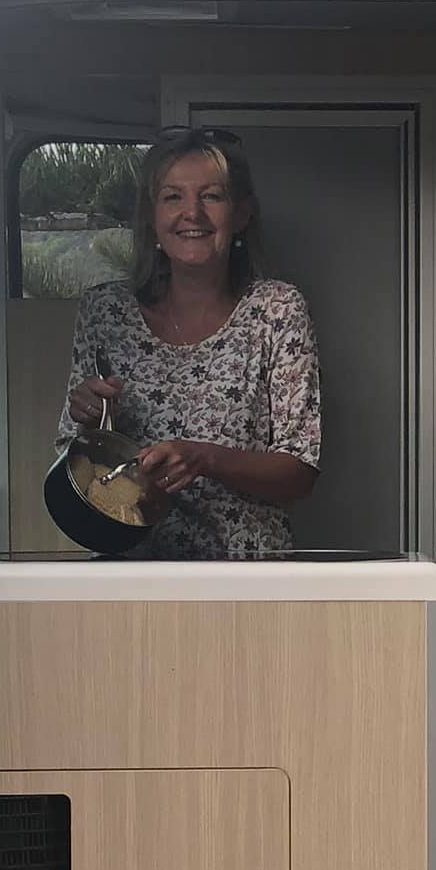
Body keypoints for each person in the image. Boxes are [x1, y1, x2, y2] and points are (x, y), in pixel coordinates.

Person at [59, 127, 321, 559]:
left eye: (212, 196)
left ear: (241, 213)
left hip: (246, 573)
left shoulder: (277, 310)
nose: (192, 214)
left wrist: (205, 459)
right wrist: (91, 420)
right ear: (151, 216)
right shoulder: (105, 311)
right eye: (173, 196)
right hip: (130, 570)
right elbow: (77, 465)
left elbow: (300, 473)